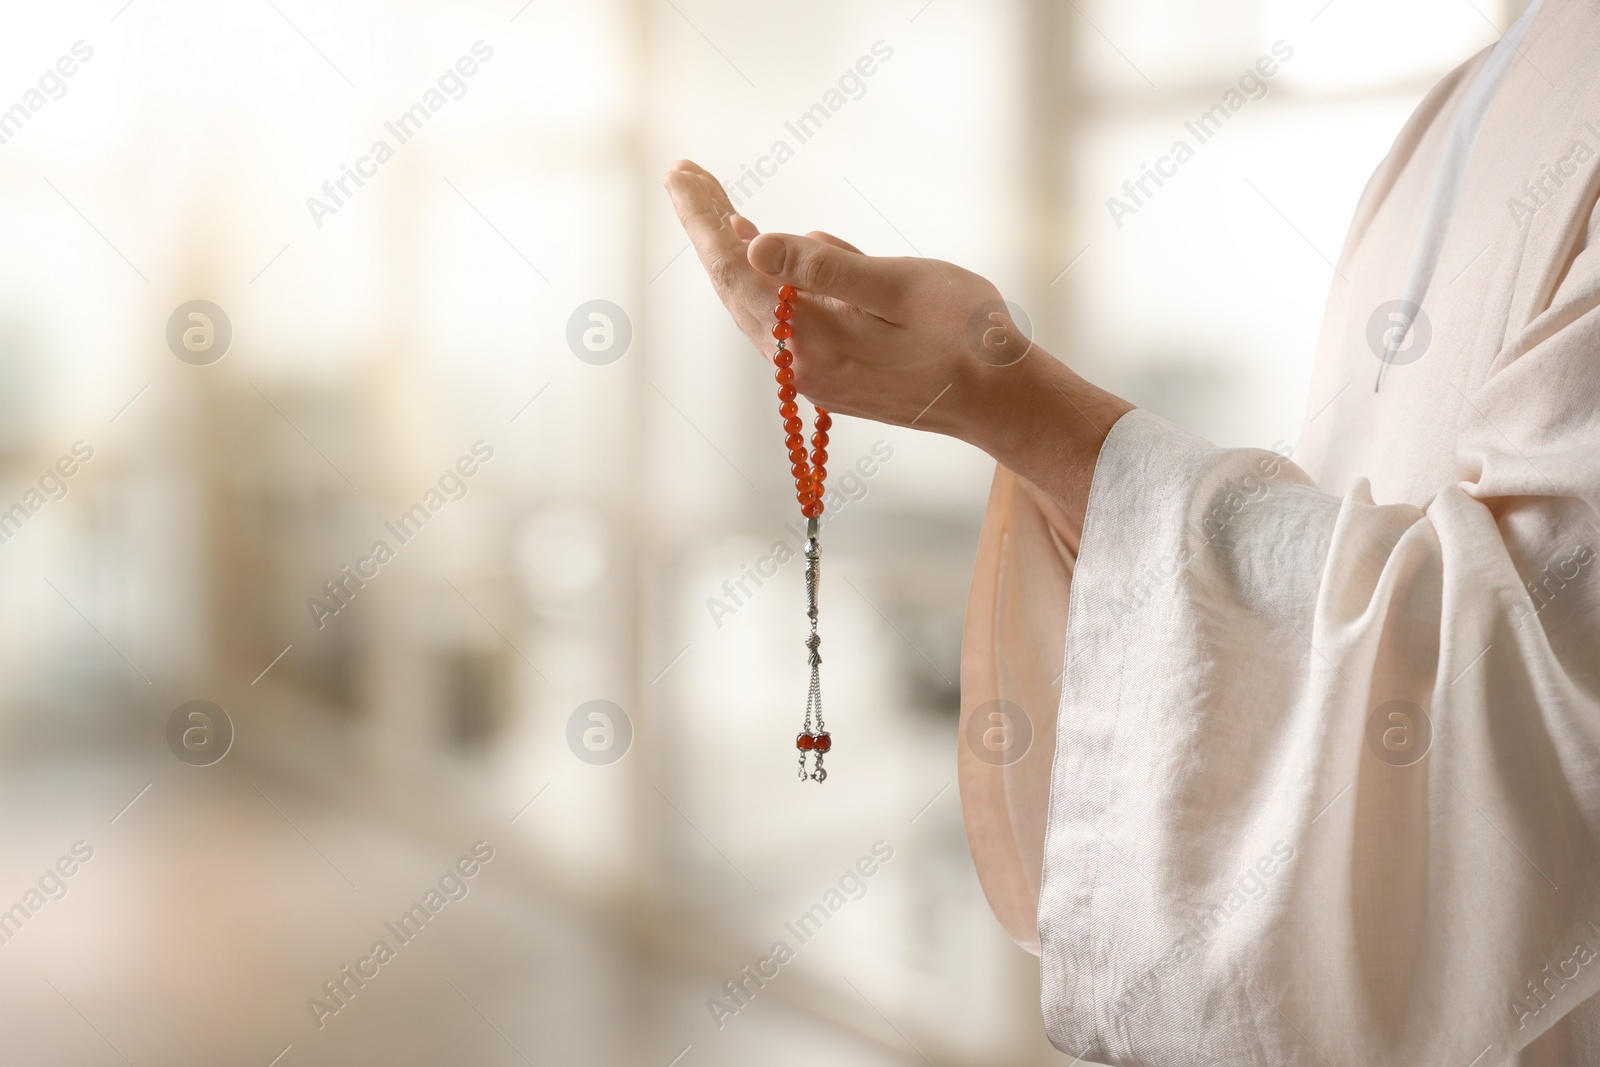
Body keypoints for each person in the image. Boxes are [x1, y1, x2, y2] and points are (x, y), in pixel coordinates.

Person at [663, 0, 1600, 1061]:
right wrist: (1011, 409)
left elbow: (1525, 662)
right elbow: (1357, 576)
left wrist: (1011, 401)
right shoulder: (1456, 103)